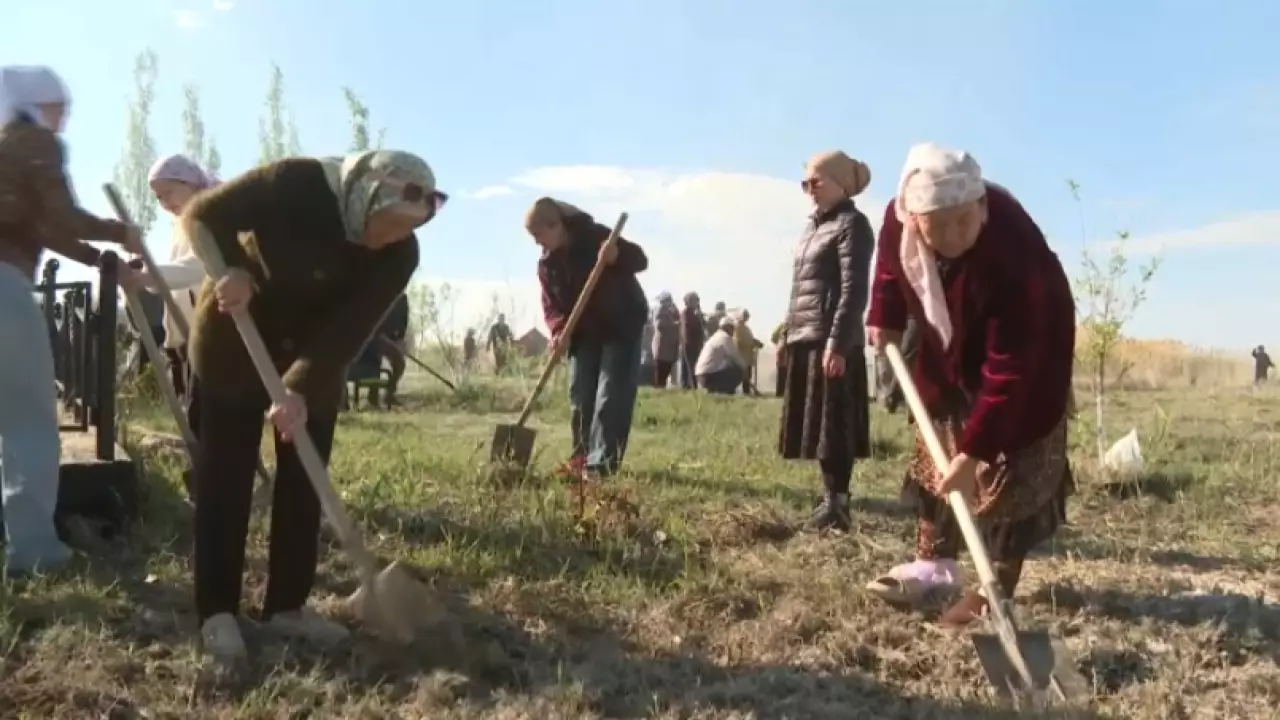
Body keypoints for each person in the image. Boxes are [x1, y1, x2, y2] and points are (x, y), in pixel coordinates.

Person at [182, 150, 445, 664]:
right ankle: (217, 613)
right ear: (368, 195)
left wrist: (301, 388)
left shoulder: (400, 255)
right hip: (238, 337)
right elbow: (203, 215)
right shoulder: (295, 184)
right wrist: (233, 269)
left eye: (407, 229)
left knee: (304, 478)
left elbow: (351, 327)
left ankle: (287, 606)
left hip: (314, 357)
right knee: (227, 479)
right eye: (391, 223)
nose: (393, 237)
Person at [862, 143, 1076, 628]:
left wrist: (975, 451)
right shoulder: (897, 220)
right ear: (915, 220)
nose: (956, 235)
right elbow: (890, 270)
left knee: (1013, 466)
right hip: (948, 339)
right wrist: (884, 316)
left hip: (1029, 352)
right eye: (941, 226)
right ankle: (935, 565)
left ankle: (994, 585)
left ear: (981, 206)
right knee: (937, 444)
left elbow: (1011, 365)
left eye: (965, 220)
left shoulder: (1011, 248)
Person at [0, 65, 142, 576]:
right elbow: (61, 218)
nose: (64, 117)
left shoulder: (6, 149)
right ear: (38, 103)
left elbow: (45, 227)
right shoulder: (35, 142)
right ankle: (35, 553)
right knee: (29, 422)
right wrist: (120, 233)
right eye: (60, 106)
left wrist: (104, 261)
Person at [778, 150, 875, 532]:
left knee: (834, 424)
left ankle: (838, 503)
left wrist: (837, 342)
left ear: (840, 182)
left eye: (815, 181)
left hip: (831, 338)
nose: (809, 189)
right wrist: (789, 334)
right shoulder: (813, 229)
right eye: (805, 183)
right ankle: (828, 498)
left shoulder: (853, 225)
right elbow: (799, 287)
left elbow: (853, 290)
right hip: (807, 334)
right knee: (818, 423)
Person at [118, 154, 221, 498]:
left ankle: (210, 487)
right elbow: (176, 277)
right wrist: (147, 273)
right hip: (183, 335)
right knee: (192, 413)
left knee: (205, 415)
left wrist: (150, 276)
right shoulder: (181, 224)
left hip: (210, 333)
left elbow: (198, 268)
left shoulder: (209, 215)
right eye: (158, 198)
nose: (165, 203)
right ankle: (210, 483)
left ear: (189, 183)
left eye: (169, 193)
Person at [528, 197, 648, 478]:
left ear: (555, 225)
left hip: (621, 323)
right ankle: (581, 458)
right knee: (580, 394)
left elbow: (640, 259)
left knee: (610, 395)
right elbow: (552, 307)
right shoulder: (546, 265)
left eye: (538, 234)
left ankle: (601, 466)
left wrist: (616, 255)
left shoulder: (594, 236)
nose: (536, 242)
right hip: (584, 332)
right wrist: (558, 332)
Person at [371, 293, 409, 406]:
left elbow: (404, 320)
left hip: (390, 337)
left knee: (399, 364)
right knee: (376, 363)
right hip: (375, 336)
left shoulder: (402, 298)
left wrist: (399, 338)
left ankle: (388, 395)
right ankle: (374, 396)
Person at [695, 316, 747, 394]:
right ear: (727, 327)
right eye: (732, 328)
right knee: (737, 371)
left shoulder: (716, 336)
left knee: (731, 366)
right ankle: (724, 390)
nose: (733, 331)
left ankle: (715, 389)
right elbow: (734, 355)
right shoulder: (725, 337)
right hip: (707, 376)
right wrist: (744, 368)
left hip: (702, 375)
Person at [651, 292, 680, 387]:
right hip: (663, 347)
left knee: (666, 370)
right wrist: (675, 324)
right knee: (661, 373)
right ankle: (658, 389)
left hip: (669, 348)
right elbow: (660, 325)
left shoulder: (670, 310)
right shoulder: (661, 309)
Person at [732, 309, 764, 396]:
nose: (745, 318)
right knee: (742, 376)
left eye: (746, 316)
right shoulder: (737, 327)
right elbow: (738, 341)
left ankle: (747, 392)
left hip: (748, 356)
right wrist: (752, 343)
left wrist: (756, 342)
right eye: (744, 315)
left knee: (747, 376)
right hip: (741, 356)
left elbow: (750, 338)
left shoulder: (746, 328)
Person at [679, 292, 705, 389]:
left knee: (690, 366)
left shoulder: (695, 313)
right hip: (689, 343)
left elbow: (703, 324)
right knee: (690, 366)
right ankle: (691, 385)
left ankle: (688, 385)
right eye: (695, 300)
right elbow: (689, 327)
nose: (697, 302)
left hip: (694, 343)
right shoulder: (686, 312)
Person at [770, 322, 788, 397]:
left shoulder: (782, 325)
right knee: (783, 373)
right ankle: (781, 392)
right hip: (784, 351)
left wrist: (778, 344)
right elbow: (773, 337)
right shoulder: (784, 325)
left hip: (783, 351)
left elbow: (773, 337)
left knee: (782, 373)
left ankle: (780, 392)